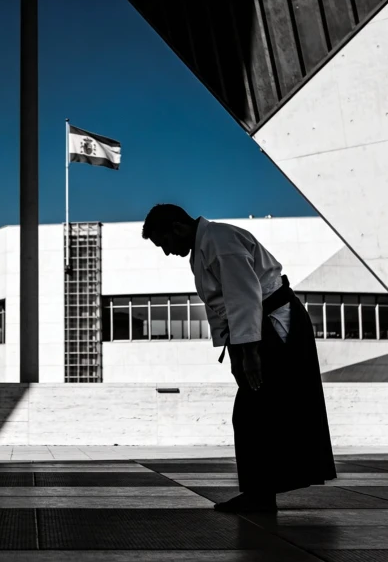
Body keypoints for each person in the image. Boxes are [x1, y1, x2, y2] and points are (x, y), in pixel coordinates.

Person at [142, 204, 336, 512]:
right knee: (255, 412)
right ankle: (261, 494)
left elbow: (243, 297)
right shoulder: (203, 250)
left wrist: (250, 354)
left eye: (164, 243)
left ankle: (260, 495)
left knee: (253, 411)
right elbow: (220, 310)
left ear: (177, 228)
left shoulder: (219, 240)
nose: (167, 252)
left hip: (274, 323)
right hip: (254, 331)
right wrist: (234, 354)